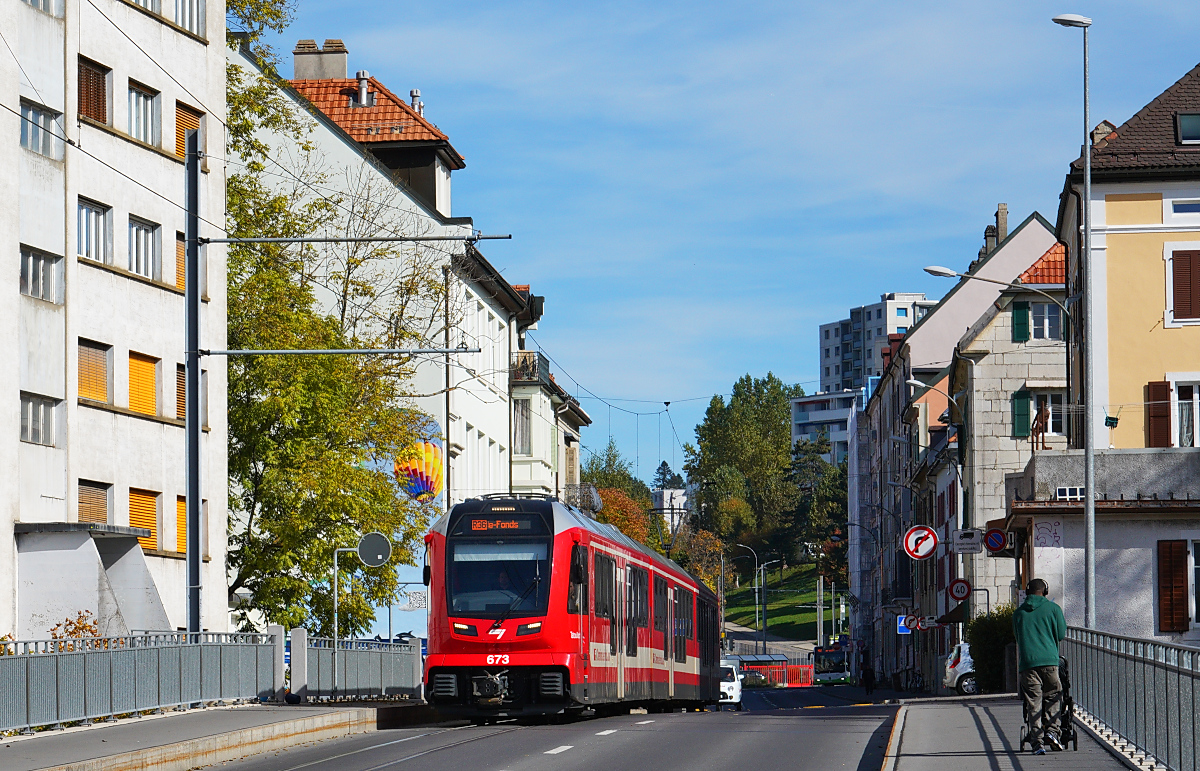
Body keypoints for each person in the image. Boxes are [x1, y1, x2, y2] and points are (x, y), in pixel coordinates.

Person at [1013, 578, 1067, 755]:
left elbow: (1017, 637)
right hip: (1050, 661)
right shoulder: (1054, 609)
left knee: (1033, 702)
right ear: (1045, 591)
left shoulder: (1019, 613)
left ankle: (1037, 742)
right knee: (1053, 695)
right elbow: (1060, 634)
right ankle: (1053, 731)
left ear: (1027, 592)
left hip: (1028, 663)